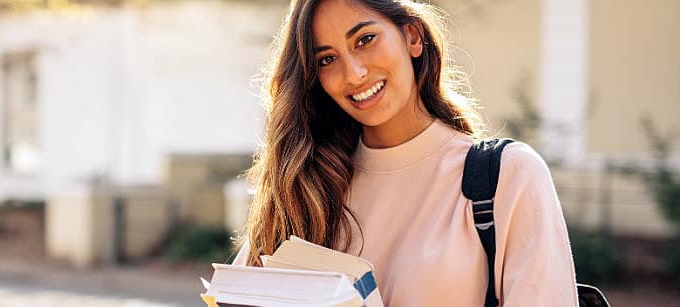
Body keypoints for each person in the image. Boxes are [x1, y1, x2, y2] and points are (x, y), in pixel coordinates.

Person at [232, 0, 579, 306]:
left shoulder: (508, 177)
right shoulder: (302, 191)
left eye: (365, 40)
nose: (354, 74)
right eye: (327, 59)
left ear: (412, 37)